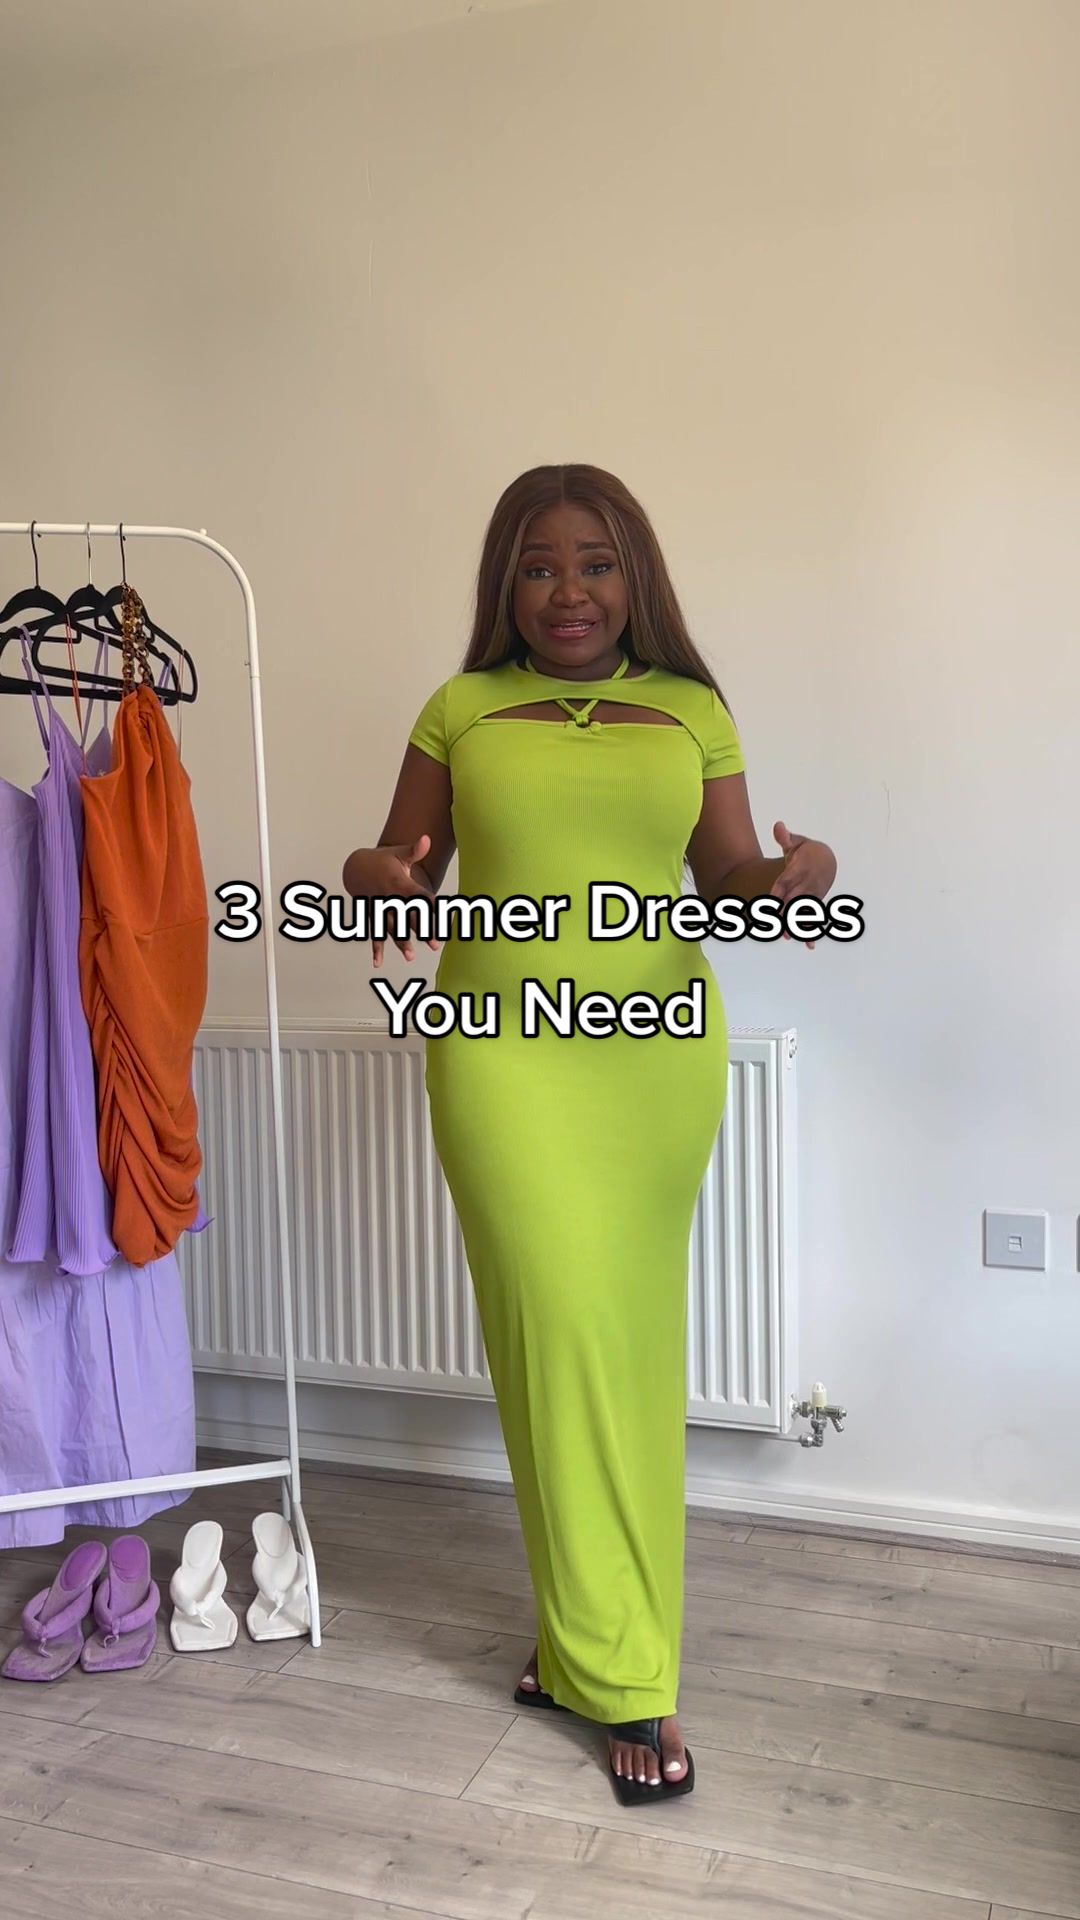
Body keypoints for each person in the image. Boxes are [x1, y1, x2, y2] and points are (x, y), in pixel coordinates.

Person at [343, 463, 837, 1804]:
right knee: (552, 1337)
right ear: (505, 583)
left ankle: (578, 1646)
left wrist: (796, 875)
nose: (569, 591)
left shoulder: (691, 709)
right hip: (504, 1056)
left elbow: (726, 877)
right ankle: (625, 1673)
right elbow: (397, 862)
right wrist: (379, 877)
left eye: (598, 563)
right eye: (540, 566)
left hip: (654, 1062)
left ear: (638, 578)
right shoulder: (460, 708)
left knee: (622, 1347)